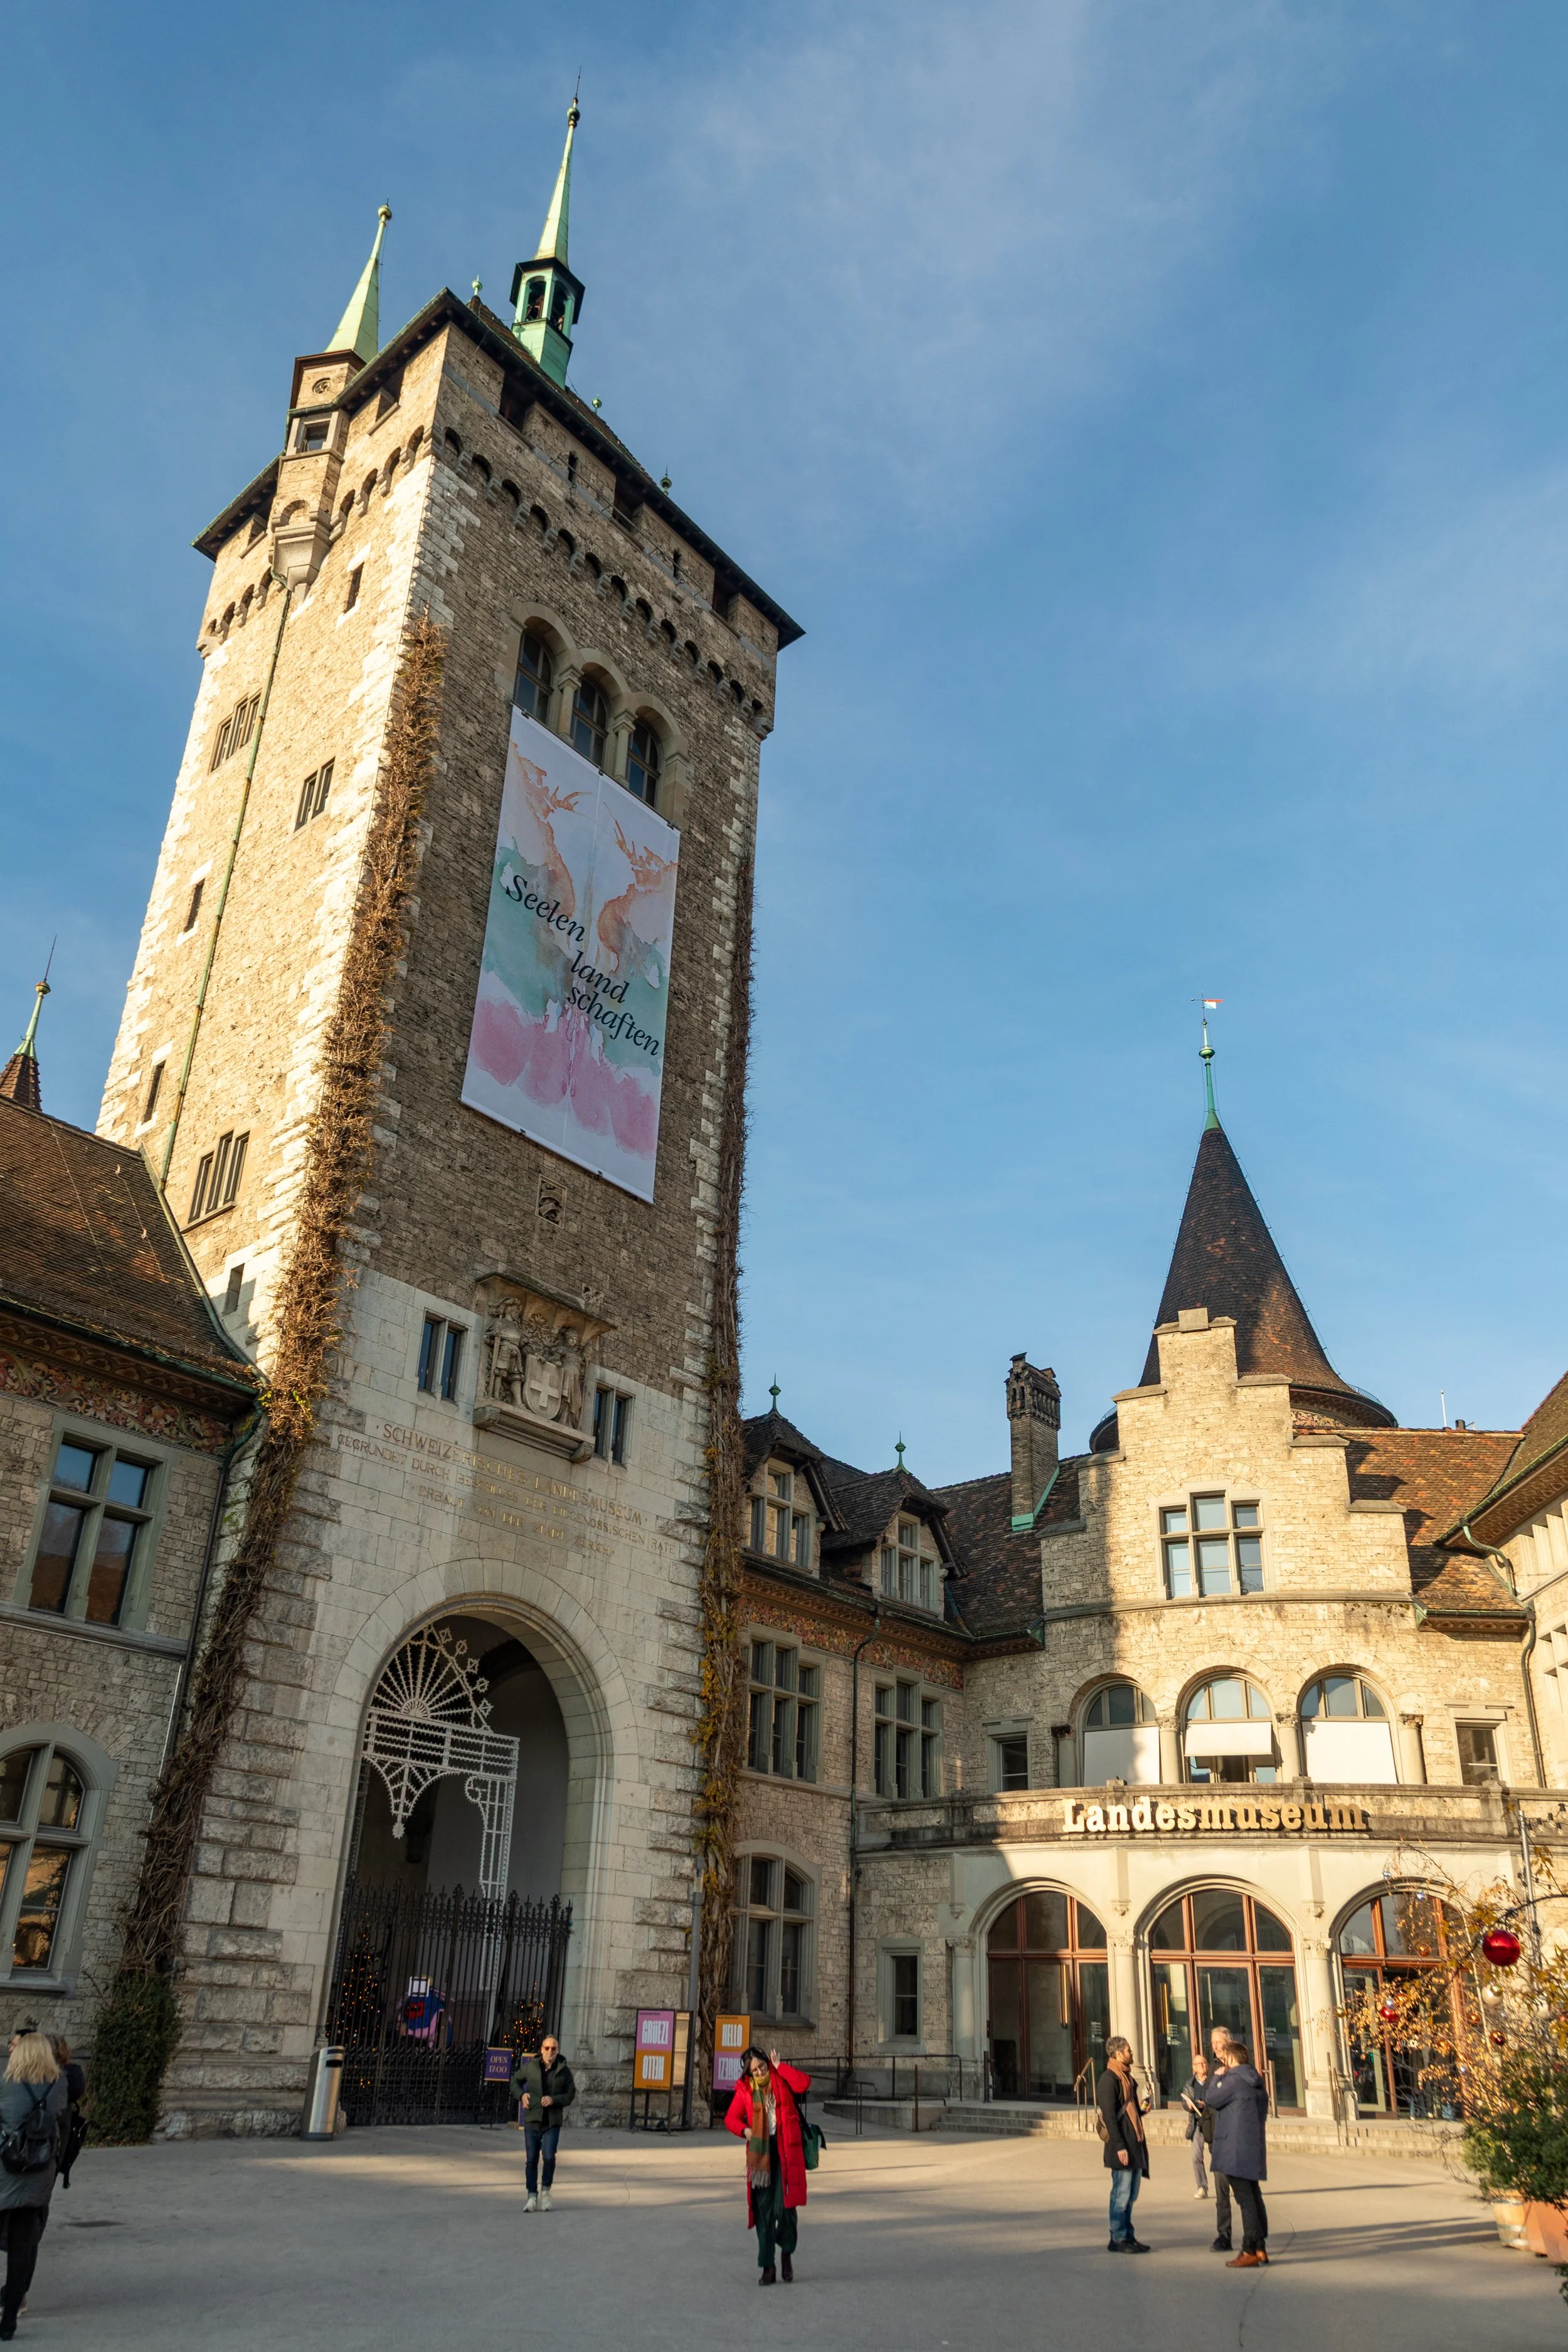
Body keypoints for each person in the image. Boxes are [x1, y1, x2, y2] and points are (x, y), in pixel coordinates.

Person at [724, 2044, 811, 2285]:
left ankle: (786, 2253)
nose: (761, 2073)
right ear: (749, 2074)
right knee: (763, 2211)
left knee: (785, 2208)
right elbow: (731, 2119)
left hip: (785, 2151)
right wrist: (745, 2130)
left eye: (762, 2066)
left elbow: (804, 2084)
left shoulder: (781, 2079)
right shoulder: (745, 2091)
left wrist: (779, 2066)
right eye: (755, 2071)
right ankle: (768, 2266)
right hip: (761, 2154)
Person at [0, 2032, 68, 2339]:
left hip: (5, 2171)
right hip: (40, 2172)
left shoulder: (5, 2084)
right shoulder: (59, 2085)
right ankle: (10, 2320)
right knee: (21, 2248)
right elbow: (57, 2124)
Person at [1203, 2038, 1270, 2267]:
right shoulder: (1256, 2081)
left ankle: (1249, 2249)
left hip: (1234, 2149)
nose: (1223, 2063)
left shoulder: (1233, 2079)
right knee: (1254, 2195)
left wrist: (1218, 2078)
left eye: (1225, 2059)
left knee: (1245, 2200)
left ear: (1231, 2059)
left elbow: (1211, 2099)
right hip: (1253, 2147)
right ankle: (1260, 2247)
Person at [1096, 2035, 1151, 2252]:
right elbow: (1110, 2117)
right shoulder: (1109, 2079)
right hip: (1122, 2147)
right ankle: (1118, 2238)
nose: (1132, 2054)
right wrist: (1119, 2146)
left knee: (1131, 2195)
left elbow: (1132, 2109)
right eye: (1129, 2051)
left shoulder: (1128, 2079)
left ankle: (1128, 2235)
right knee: (1121, 2194)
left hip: (1134, 2144)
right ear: (1118, 2054)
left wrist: (1142, 2109)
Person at [512, 2035, 576, 2212]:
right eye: (547, 2048)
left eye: (554, 2049)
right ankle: (532, 2196)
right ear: (541, 2050)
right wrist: (522, 2095)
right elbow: (515, 2081)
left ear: (558, 2051)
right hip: (533, 2120)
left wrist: (554, 2099)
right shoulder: (531, 2068)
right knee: (531, 2159)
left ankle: (546, 2192)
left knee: (549, 2157)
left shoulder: (564, 2071)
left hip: (551, 2123)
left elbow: (571, 2094)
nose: (550, 2052)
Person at [1180, 2052, 1210, 2199]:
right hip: (1197, 2124)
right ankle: (1202, 2186)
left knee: (1220, 2155)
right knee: (1196, 2157)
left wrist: (1204, 2104)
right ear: (1194, 2067)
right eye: (1199, 2064)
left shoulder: (1213, 2081)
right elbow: (1185, 2103)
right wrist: (1189, 2106)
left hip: (1212, 2123)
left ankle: (1228, 2183)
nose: (1203, 2066)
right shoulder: (1190, 2084)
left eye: (1204, 2063)